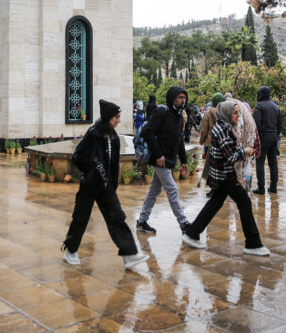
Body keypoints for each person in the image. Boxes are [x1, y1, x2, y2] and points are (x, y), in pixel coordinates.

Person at [62, 99, 149, 269]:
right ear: (108, 117)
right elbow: (77, 156)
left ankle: (129, 254)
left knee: (117, 217)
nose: (118, 120)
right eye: (116, 117)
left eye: (119, 117)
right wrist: (90, 172)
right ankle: (70, 250)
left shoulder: (114, 137)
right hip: (90, 185)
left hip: (106, 187)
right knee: (80, 218)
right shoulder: (93, 134)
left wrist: (112, 183)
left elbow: (114, 163)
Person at [182, 101, 270, 256]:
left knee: (215, 203)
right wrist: (246, 151)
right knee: (244, 202)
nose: (238, 115)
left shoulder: (225, 126)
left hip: (220, 175)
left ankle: (192, 233)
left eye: (238, 112)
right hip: (226, 175)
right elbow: (231, 156)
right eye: (235, 112)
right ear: (227, 114)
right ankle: (253, 243)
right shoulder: (223, 129)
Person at [136, 87, 191, 235]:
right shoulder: (162, 112)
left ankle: (141, 221)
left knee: (154, 190)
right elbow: (148, 132)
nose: (183, 100)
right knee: (172, 190)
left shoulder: (179, 117)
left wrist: (184, 161)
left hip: (168, 159)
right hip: (159, 159)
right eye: (180, 97)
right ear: (172, 98)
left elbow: (179, 141)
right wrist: (159, 154)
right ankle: (184, 224)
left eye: (184, 97)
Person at [252, 86, 283, 195]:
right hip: (274, 136)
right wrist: (276, 134)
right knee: (273, 162)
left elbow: (256, 124)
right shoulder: (276, 107)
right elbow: (280, 124)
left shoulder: (259, 106)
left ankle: (261, 188)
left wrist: (255, 139)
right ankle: (273, 187)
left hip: (263, 137)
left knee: (260, 162)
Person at [199, 93, 225, 196]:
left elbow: (204, 130)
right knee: (220, 165)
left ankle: (213, 188)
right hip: (223, 142)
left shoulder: (208, 112)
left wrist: (201, 141)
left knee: (210, 165)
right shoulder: (225, 111)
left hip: (210, 142)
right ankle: (222, 187)